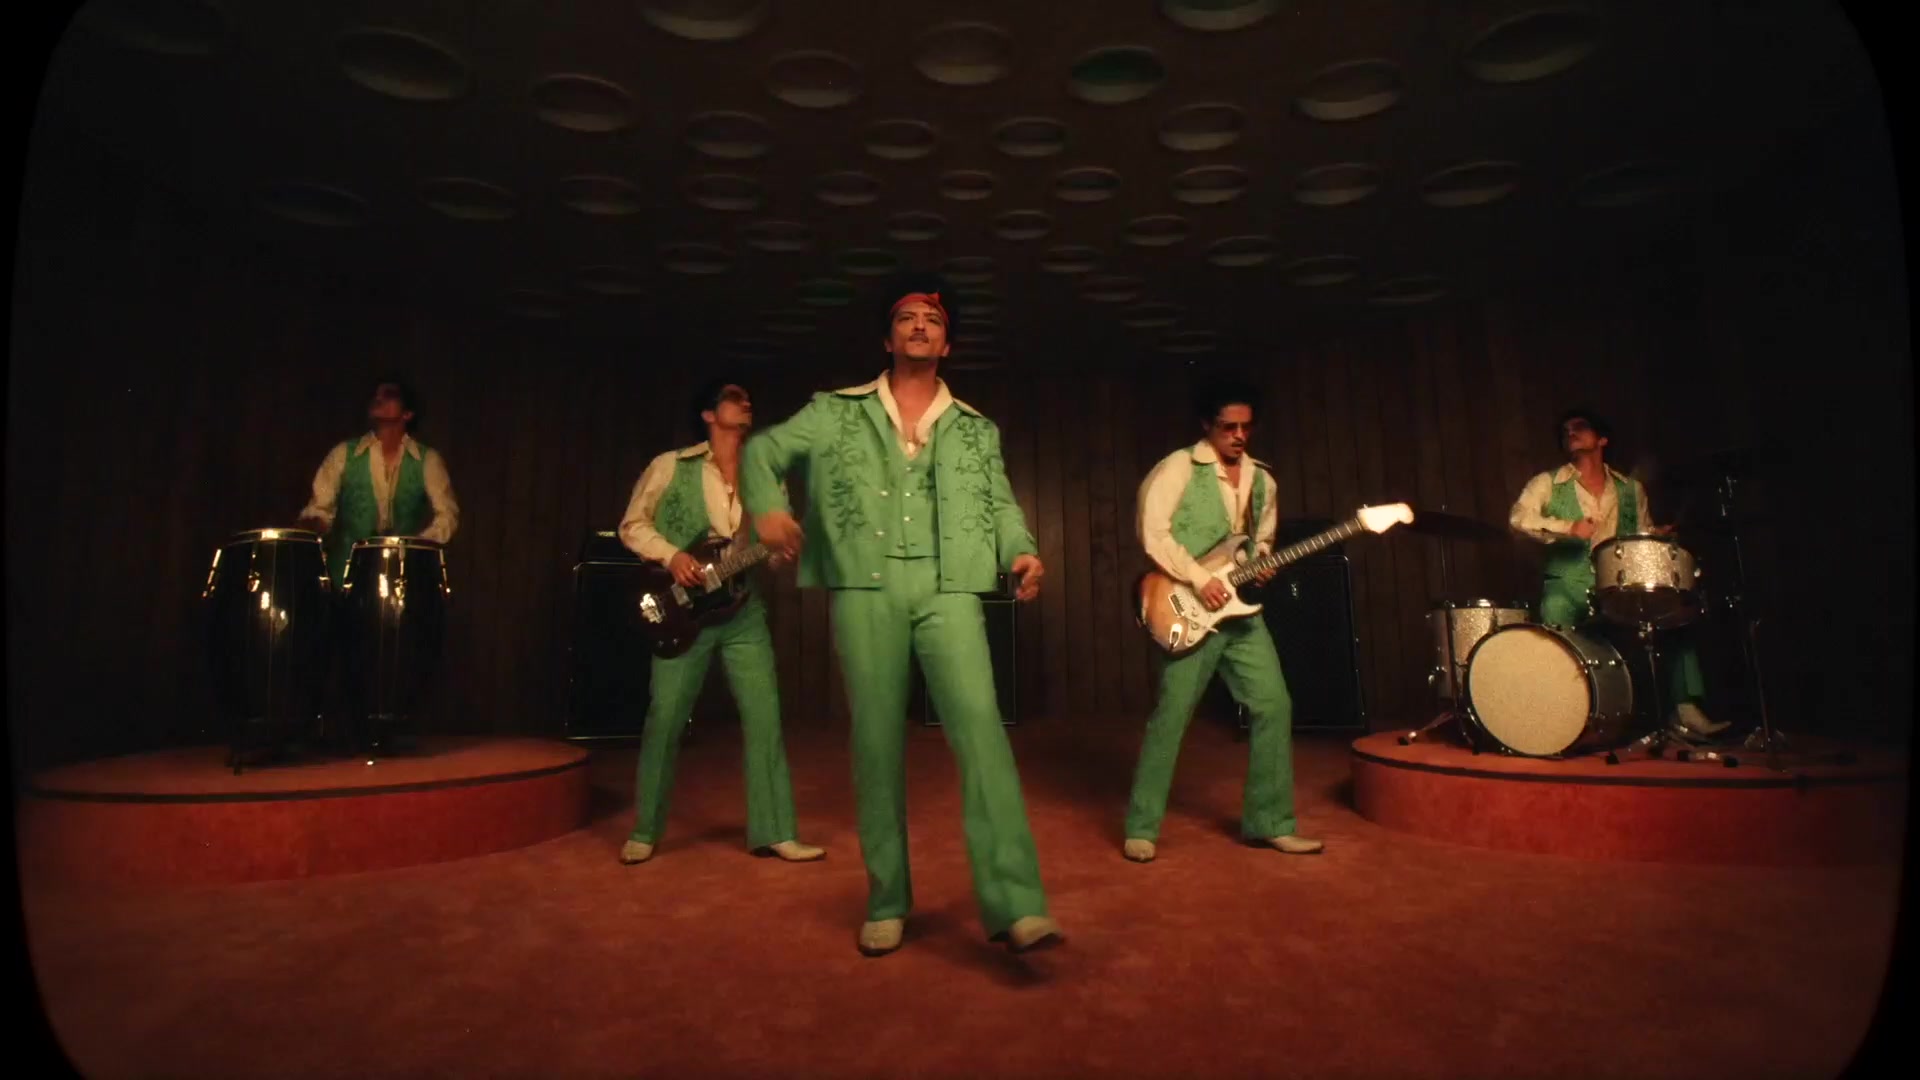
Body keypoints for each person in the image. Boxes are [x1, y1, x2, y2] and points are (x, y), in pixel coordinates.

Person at [740, 273, 1062, 958]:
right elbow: (762, 452)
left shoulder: (975, 428)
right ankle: (887, 900)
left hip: (951, 587)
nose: (920, 326)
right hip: (865, 586)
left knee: (982, 732)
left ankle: (1017, 904)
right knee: (876, 742)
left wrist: (1023, 550)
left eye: (932, 321)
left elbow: (1000, 503)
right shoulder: (834, 410)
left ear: (947, 345)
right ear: (887, 339)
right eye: (907, 318)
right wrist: (767, 507)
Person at [615, 379, 824, 866]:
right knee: (665, 718)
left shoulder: (764, 477)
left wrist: (784, 550)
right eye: (733, 397)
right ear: (708, 415)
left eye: (748, 398)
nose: (746, 402)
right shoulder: (671, 465)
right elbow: (632, 525)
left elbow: (772, 554)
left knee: (765, 718)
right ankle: (645, 829)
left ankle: (776, 831)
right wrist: (672, 557)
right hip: (683, 612)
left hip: (742, 611)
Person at [1122, 379, 1324, 864]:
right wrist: (1197, 578)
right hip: (1188, 607)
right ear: (1206, 425)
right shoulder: (1177, 467)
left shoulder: (1263, 480)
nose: (1238, 436)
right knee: (1172, 714)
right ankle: (1142, 827)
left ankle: (1270, 823)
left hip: (1240, 612)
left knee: (1274, 705)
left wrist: (1264, 562)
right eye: (1227, 427)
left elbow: (1261, 542)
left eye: (1245, 427)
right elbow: (1153, 533)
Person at [1508, 408, 1725, 736]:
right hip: (1568, 582)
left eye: (1580, 427)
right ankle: (1563, 718)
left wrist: (1656, 534)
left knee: (1674, 613)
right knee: (1554, 613)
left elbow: (1639, 532)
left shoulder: (1631, 488)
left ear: (1603, 439)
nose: (1571, 433)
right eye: (1566, 430)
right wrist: (1568, 527)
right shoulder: (1547, 482)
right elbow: (1519, 519)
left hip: (1617, 583)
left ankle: (1685, 710)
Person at [297, 378, 458, 583]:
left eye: (389, 395)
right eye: (376, 395)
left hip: (404, 579)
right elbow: (320, 508)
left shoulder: (428, 461)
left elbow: (447, 515)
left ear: (407, 413)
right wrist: (312, 525)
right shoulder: (343, 455)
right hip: (346, 578)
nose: (378, 399)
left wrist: (414, 548)